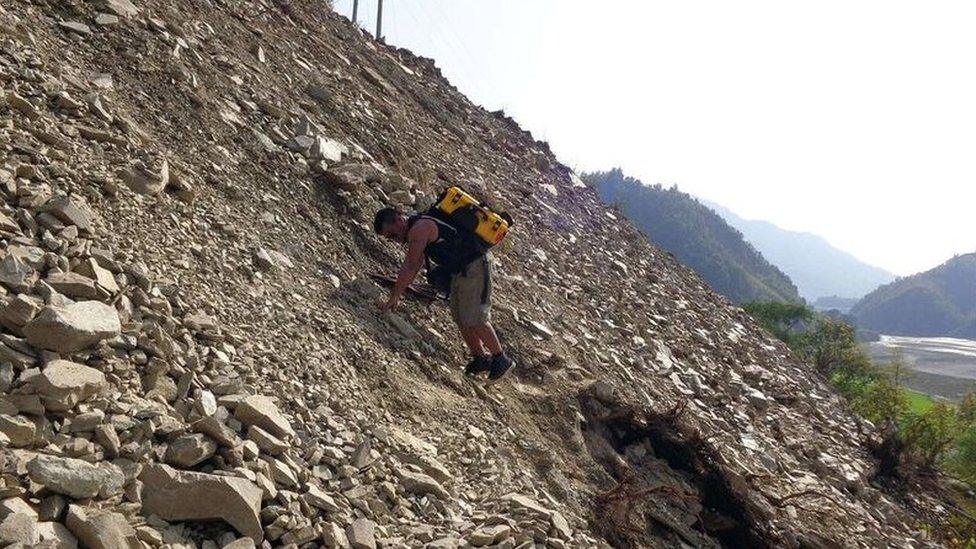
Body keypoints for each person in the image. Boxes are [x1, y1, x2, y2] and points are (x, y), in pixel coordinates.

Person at [374, 207, 515, 382]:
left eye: (391, 235)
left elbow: (411, 266)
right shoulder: (416, 228)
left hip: (475, 265)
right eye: (389, 238)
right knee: (460, 316)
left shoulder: (419, 229)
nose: (393, 240)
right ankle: (480, 359)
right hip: (459, 270)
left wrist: (394, 297)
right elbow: (415, 264)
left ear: (398, 221)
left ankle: (501, 359)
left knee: (475, 316)